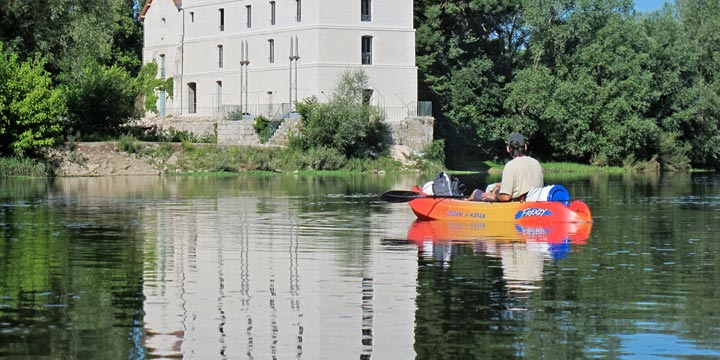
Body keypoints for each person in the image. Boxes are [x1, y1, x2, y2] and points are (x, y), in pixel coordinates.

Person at [469, 133, 543, 202]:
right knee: (497, 189)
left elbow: (506, 197)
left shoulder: (510, 165)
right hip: (535, 201)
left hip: (518, 204)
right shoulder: (536, 162)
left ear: (508, 148)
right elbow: (521, 183)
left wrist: (494, 196)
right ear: (525, 147)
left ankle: (467, 200)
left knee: (475, 193)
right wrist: (496, 186)